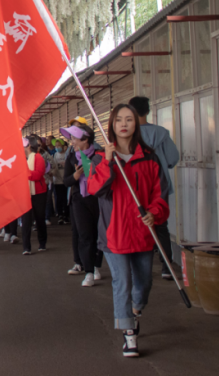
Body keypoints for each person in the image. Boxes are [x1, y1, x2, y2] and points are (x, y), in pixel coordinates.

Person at [88, 103, 169, 358]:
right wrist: (108, 163)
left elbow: (160, 193)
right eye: (118, 120)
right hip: (114, 234)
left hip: (143, 232)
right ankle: (128, 334)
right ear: (111, 125)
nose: (124, 124)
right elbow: (94, 189)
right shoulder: (102, 158)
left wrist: (154, 213)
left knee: (143, 283)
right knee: (121, 282)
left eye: (129, 120)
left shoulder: (149, 157)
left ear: (136, 124)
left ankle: (136, 310)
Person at [129, 96, 180, 280]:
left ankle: (139, 270)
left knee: (137, 223)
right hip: (160, 185)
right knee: (160, 224)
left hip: (135, 187)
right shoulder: (162, 133)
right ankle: (167, 267)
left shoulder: (128, 133)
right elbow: (173, 158)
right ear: (148, 110)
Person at [62, 123, 104, 287]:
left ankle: (96, 265)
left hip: (98, 199)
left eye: (74, 138)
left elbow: (105, 178)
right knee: (85, 235)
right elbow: (66, 181)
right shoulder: (71, 157)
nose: (71, 142)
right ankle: (88, 271)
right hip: (79, 199)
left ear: (85, 139)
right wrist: (76, 175)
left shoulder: (99, 155)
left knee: (99, 234)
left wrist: (90, 171)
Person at [19, 137, 48, 253]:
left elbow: (37, 175)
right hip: (25, 193)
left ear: (29, 146)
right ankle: (26, 247)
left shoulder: (38, 158)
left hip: (38, 193)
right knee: (26, 221)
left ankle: (42, 243)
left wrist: (24, 172)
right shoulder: (21, 158)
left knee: (39, 218)